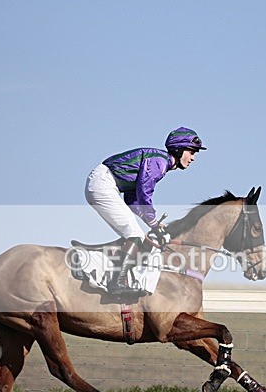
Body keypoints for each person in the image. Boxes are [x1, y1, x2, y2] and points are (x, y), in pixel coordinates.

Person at [85, 127, 206, 296]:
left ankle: (116, 274)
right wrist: (154, 221)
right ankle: (116, 282)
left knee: (135, 233)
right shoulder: (159, 162)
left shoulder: (161, 162)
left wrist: (152, 223)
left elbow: (132, 200)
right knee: (135, 235)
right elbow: (144, 192)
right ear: (178, 149)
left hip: (104, 183)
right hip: (103, 184)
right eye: (191, 152)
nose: (193, 158)